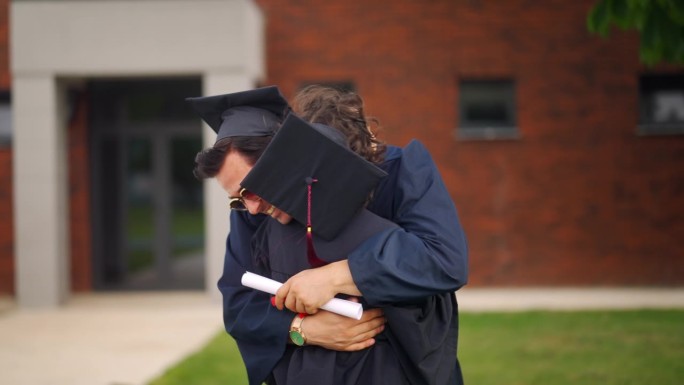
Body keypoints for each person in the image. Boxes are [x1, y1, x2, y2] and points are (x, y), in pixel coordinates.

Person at [188, 85, 468, 385]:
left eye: (250, 190)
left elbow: (442, 259)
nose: (250, 208)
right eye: (237, 199)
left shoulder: (398, 170)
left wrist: (336, 276)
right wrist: (300, 330)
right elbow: (239, 304)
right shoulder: (251, 213)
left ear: (283, 158)